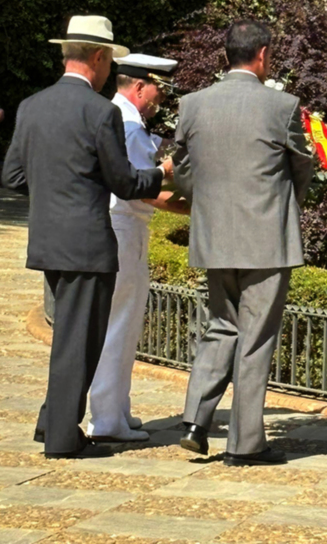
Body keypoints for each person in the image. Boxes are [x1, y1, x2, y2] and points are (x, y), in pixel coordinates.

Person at [2, 16, 173, 460]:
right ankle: (62, 437)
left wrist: (57, 195)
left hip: (48, 238)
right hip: (88, 244)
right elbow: (124, 183)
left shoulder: (32, 105)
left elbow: (13, 175)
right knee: (82, 342)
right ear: (98, 57)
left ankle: (50, 422)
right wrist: (163, 173)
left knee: (68, 337)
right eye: (108, 61)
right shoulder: (101, 112)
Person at [173, 19, 313, 467]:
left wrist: (211, 203)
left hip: (217, 236)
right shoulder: (282, 106)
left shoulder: (193, 105)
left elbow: (182, 168)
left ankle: (195, 421)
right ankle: (246, 444)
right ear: (263, 55)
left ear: (226, 54)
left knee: (221, 326)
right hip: (267, 238)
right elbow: (301, 168)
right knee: (254, 338)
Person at [88, 54, 190, 443]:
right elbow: (139, 189)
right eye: (158, 93)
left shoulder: (122, 118)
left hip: (124, 225)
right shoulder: (128, 125)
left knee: (123, 323)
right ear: (139, 87)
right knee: (120, 324)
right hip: (124, 226)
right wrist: (185, 203)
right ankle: (108, 418)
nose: (158, 101)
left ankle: (117, 409)